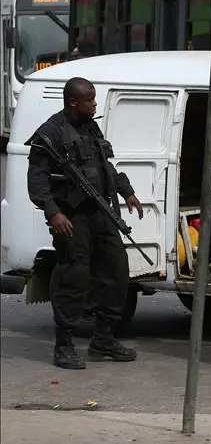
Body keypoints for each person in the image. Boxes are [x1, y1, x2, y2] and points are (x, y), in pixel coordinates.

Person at [26, 77, 144, 370]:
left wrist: (125, 190)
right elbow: (37, 181)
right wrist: (53, 212)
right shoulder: (50, 135)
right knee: (73, 277)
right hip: (72, 216)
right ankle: (63, 345)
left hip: (101, 212)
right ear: (73, 102)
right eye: (90, 99)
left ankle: (103, 340)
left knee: (117, 272)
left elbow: (105, 166)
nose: (95, 104)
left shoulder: (91, 126)